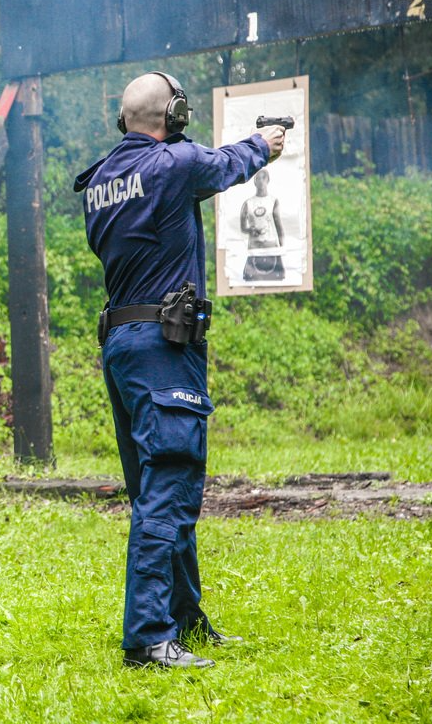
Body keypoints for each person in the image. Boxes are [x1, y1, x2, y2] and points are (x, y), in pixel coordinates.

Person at [73, 72, 284, 669]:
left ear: (124, 120)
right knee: (169, 484)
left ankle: (185, 622)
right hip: (164, 343)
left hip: (123, 341)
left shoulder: (101, 180)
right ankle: (147, 638)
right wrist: (262, 144)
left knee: (164, 485)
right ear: (177, 113)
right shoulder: (173, 163)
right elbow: (223, 166)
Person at [239, 168, 286, 281]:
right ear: (254, 182)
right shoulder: (247, 203)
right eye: (258, 178)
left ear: (268, 180)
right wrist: (251, 230)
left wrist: (282, 245)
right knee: (251, 279)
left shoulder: (273, 201)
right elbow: (243, 227)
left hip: (271, 245)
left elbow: (278, 224)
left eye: (263, 178)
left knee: (276, 279)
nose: (261, 181)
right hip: (255, 246)